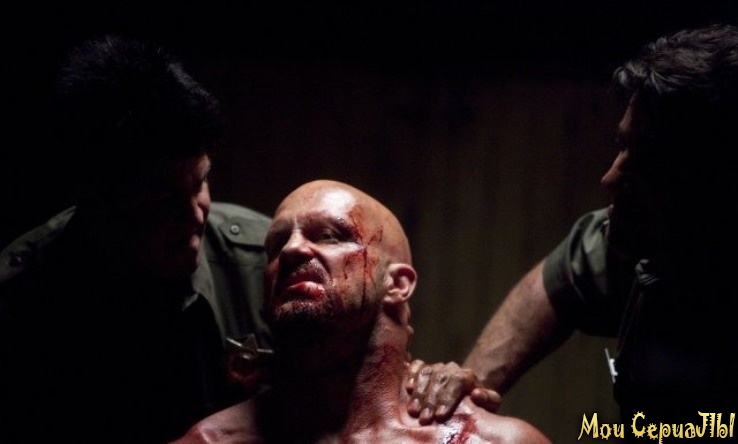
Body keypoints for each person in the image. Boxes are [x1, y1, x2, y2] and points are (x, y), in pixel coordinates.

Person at [408, 23, 738, 434]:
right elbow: (561, 280)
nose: (610, 179)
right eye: (623, 147)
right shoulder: (649, 240)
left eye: (648, 164)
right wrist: (465, 400)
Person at [0, 35, 272, 442]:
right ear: (95, 201)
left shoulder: (267, 259)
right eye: (162, 199)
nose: (194, 215)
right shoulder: (20, 302)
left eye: (200, 183)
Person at [172, 180, 551, 443]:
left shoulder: (488, 441)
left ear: (398, 284)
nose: (291, 250)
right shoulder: (208, 441)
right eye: (276, 245)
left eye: (330, 235)